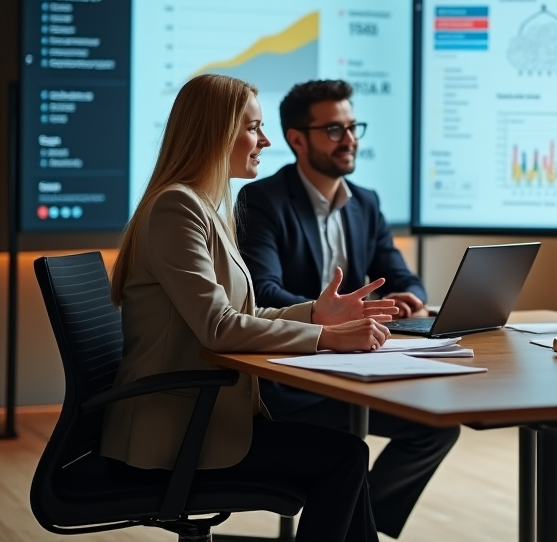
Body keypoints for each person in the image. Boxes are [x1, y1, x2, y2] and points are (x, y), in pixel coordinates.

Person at [101, 74, 395, 542]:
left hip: (207, 416)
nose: (266, 140)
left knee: (346, 454)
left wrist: (316, 314)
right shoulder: (177, 208)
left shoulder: (204, 206)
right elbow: (219, 328)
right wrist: (325, 338)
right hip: (177, 436)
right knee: (344, 457)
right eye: (253, 127)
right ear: (216, 133)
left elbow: (243, 315)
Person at [236, 79, 460, 539]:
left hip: (357, 366)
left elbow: (401, 274)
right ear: (297, 139)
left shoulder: (366, 203)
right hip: (295, 377)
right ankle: (352, 530)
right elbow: (261, 292)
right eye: (334, 130)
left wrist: (410, 297)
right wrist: (339, 312)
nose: (350, 139)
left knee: (436, 426)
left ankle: (359, 528)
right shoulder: (263, 200)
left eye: (353, 127)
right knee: (347, 449)